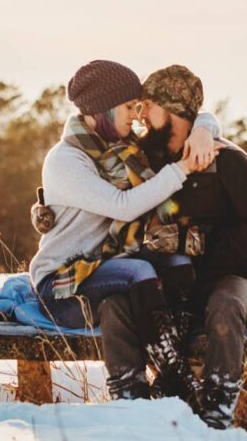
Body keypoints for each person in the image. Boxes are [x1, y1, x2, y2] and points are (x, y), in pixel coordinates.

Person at [28, 59, 221, 402]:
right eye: (130, 107)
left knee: (176, 262)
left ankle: (184, 356)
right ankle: (173, 373)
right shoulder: (67, 160)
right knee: (139, 270)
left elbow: (192, 117)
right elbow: (124, 205)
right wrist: (182, 169)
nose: (136, 115)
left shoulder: (121, 149)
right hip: (62, 284)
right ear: (104, 107)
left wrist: (204, 127)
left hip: (102, 267)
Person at [135, 65, 247, 428]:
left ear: (173, 112)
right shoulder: (146, 159)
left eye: (148, 107)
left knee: (225, 307)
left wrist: (201, 249)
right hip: (171, 279)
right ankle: (155, 400)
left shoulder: (228, 160)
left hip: (231, 276)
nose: (140, 115)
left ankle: (217, 410)